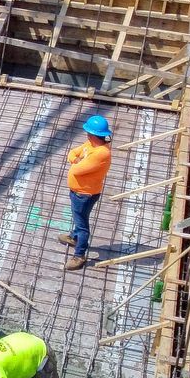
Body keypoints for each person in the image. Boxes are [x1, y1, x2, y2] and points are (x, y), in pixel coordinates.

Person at [63, 114, 113, 270]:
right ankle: (74, 236)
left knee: (82, 224)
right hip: (78, 192)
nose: (87, 135)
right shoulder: (90, 144)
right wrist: (75, 159)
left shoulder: (101, 154)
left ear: (93, 134)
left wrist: (75, 162)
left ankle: (79, 255)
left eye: (88, 132)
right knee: (79, 218)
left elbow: (77, 170)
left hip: (84, 195)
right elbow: (72, 153)